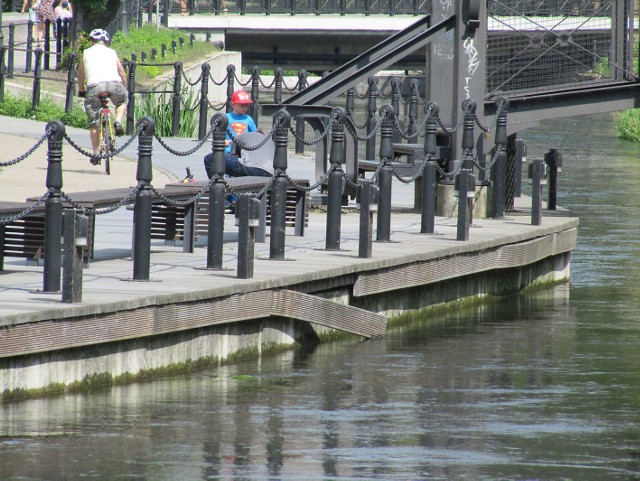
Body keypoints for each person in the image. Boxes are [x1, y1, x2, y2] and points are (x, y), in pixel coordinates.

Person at [77, 28, 128, 165]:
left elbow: (80, 74)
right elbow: (122, 72)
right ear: (106, 41)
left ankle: (95, 153)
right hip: (114, 84)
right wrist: (124, 87)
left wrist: (81, 90)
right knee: (122, 101)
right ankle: (117, 120)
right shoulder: (112, 52)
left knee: (94, 123)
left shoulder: (86, 53)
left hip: (95, 86)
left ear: (91, 41)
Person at [203, 90, 271, 179]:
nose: (245, 108)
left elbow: (255, 135)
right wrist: (223, 141)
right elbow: (218, 135)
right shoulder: (226, 118)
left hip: (243, 152)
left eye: (247, 105)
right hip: (228, 151)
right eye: (242, 105)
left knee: (236, 174)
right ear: (233, 104)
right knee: (226, 170)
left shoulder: (248, 119)